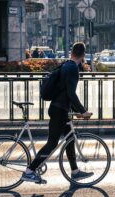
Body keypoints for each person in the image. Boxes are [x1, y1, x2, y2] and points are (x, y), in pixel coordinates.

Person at [21, 42, 94, 183]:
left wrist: (75, 111)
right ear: (83, 55)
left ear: (72, 52)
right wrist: (83, 111)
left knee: (70, 138)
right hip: (59, 110)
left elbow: (65, 92)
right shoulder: (73, 69)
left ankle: (75, 171)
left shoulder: (66, 65)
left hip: (60, 109)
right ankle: (29, 171)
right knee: (52, 144)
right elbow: (71, 93)